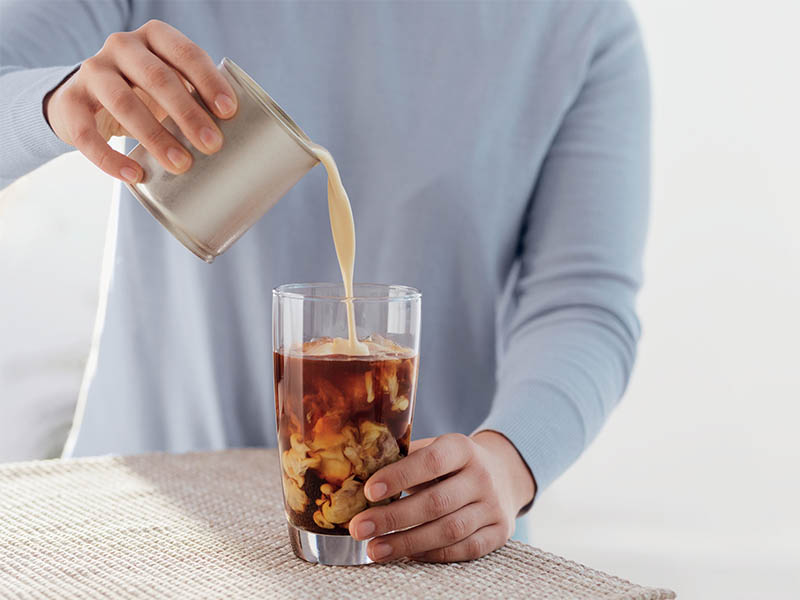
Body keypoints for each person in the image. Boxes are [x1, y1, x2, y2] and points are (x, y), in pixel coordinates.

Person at [0, 1, 649, 563]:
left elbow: (584, 302)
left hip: (412, 546)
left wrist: (511, 461)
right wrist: (60, 102)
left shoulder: (581, 24)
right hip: (139, 528)